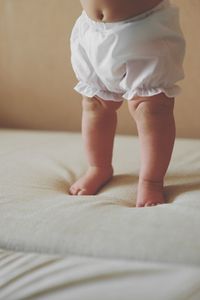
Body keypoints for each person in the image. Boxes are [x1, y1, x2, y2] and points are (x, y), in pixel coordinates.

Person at [69, 0, 185, 207]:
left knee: (151, 108)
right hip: (91, 30)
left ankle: (152, 181)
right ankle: (98, 167)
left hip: (145, 28)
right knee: (95, 103)